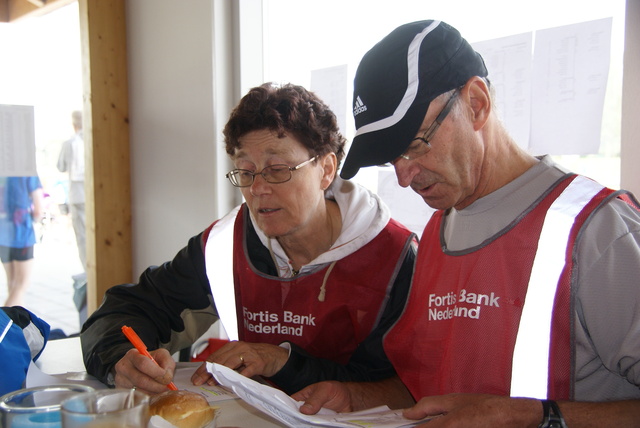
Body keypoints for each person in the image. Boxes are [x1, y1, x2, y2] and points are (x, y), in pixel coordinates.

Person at [292, 20, 640, 427]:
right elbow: (428, 388)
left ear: (476, 103)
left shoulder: (596, 231)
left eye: (415, 144)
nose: (403, 177)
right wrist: (354, 397)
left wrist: (534, 417)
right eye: (391, 159)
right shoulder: (437, 235)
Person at [80, 83, 417, 395]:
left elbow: (403, 386)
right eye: (245, 171)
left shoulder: (394, 258)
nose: (257, 189)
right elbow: (128, 310)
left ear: (326, 170)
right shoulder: (226, 245)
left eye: (277, 169)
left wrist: (283, 363)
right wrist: (121, 359)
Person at [0, 176, 45, 306]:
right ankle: (2, 322)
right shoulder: (28, 174)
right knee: (21, 284)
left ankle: (16, 324)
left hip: (2, 233)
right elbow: (38, 211)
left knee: (12, 284)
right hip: (21, 235)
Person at [57, 110, 86, 272]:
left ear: (74, 124)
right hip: (93, 196)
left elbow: (60, 166)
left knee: (82, 238)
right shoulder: (93, 139)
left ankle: (88, 273)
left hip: (77, 195)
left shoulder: (69, 143)